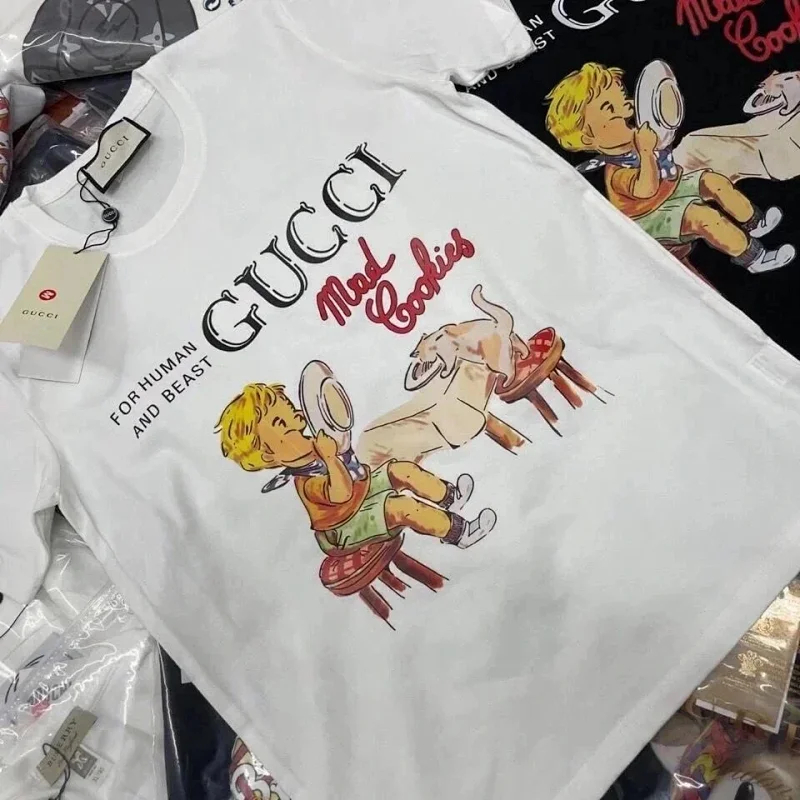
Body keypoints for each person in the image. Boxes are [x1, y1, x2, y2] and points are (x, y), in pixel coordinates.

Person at [544, 62, 796, 273]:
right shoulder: (616, 171)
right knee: (705, 218)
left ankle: (754, 221)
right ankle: (754, 257)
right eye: (611, 110)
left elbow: (663, 132)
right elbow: (646, 190)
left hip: (671, 191)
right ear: (588, 139)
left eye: (623, 100)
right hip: (650, 218)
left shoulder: (639, 137)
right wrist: (646, 152)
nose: (627, 109)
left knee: (713, 180)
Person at [215, 382, 497, 553]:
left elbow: (347, 455)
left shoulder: (315, 445)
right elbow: (341, 493)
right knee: (402, 508)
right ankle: (460, 533)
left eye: (290, 410)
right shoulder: (306, 481)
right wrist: (330, 458)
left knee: (401, 470)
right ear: (268, 456)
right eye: (281, 423)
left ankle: (450, 497)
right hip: (345, 525)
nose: (296, 417)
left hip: (360, 491)